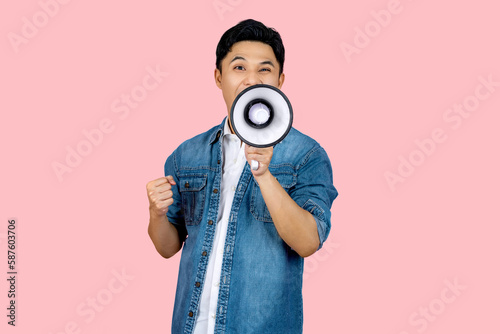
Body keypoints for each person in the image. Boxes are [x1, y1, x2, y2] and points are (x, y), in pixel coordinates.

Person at [146, 19, 338, 334]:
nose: (251, 79)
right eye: (239, 68)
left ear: (280, 80)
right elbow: (168, 247)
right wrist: (157, 214)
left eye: (264, 70)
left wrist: (264, 175)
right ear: (218, 77)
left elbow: (308, 241)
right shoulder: (186, 155)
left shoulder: (307, 155)